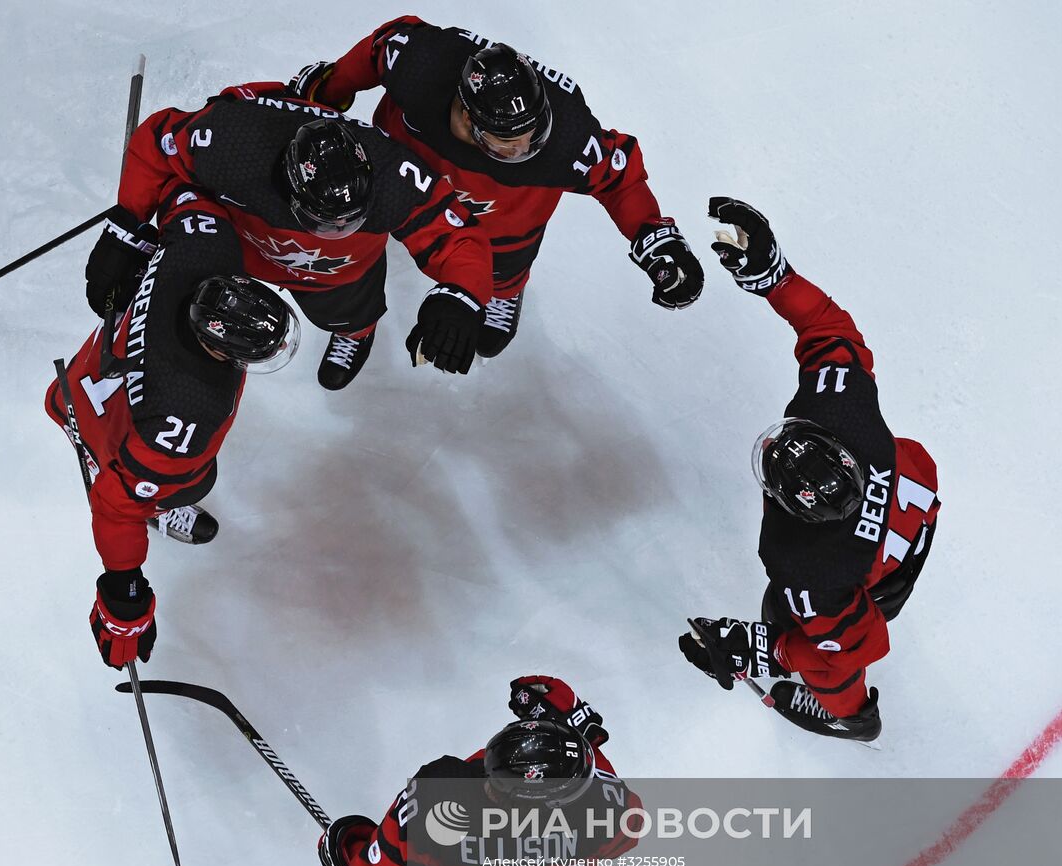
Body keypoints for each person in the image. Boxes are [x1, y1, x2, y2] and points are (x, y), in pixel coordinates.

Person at [289, 16, 704, 360]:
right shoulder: (419, 63)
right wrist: (328, 91)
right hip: (394, 182)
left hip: (505, 222)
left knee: (503, 264)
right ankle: (354, 323)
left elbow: (619, 178)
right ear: (468, 119)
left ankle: (504, 292)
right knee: (344, 239)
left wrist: (655, 237)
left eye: (532, 135)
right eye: (509, 142)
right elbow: (379, 49)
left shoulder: (569, 136)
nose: (525, 148)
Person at [678, 198, 940, 742]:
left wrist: (770, 650)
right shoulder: (846, 410)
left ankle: (851, 717)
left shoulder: (808, 573)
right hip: (912, 500)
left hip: (871, 580)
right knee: (806, 616)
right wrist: (775, 277)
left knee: (796, 623)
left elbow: (856, 646)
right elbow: (827, 325)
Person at [85, 80, 493, 391]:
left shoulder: (396, 175)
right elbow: (156, 142)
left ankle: (355, 332)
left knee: (347, 313)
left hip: (339, 273)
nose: (334, 232)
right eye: (324, 222)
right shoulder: (230, 145)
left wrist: (460, 296)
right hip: (245, 247)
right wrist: (125, 228)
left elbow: (459, 237)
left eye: (346, 222)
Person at [48, 197, 299, 666]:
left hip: (90, 378)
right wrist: (125, 589)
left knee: (146, 468)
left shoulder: (202, 247)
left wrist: (127, 232)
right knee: (186, 480)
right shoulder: (187, 415)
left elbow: (179, 178)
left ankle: (130, 473)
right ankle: (158, 507)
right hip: (114, 426)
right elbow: (114, 505)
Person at [317, 676, 642, 866]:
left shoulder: (439, 807)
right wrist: (577, 727)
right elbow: (626, 819)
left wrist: (350, 846)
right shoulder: (604, 808)